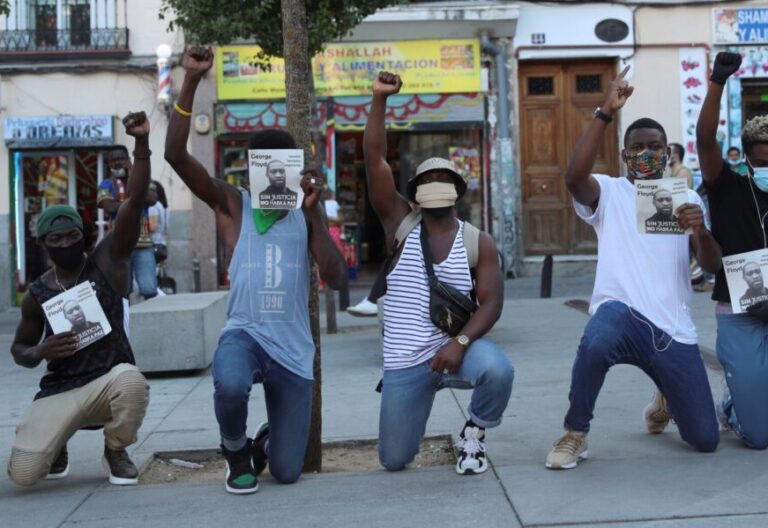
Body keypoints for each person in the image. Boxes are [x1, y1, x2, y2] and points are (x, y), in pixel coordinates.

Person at [164, 46, 347, 495]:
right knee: (229, 385)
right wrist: (191, 79)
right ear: (250, 172)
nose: (272, 177)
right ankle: (235, 449)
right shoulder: (232, 205)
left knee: (286, 471)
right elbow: (174, 155)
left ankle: (266, 440)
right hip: (244, 334)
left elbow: (338, 278)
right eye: (263, 168)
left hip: (292, 348)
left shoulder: (304, 215)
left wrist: (315, 214)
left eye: (282, 168)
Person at [545, 66, 722, 470]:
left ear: (668, 152)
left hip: (671, 328)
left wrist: (701, 232)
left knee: (705, 440)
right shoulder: (610, 191)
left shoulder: (686, 194)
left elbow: (711, 266)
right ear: (625, 155)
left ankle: (665, 397)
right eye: (638, 147)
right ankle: (575, 432)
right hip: (620, 312)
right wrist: (605, 112)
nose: (647, 153)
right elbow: (573, 177)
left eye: (656, 146)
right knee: (596, 340)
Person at [365, 71, 513, 476]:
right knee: (394, 460)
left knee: (498, 369)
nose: (435, 184)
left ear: (457, 190)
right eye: (427, 180)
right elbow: (375, 160)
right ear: (414, 194)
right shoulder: (400, 220)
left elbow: (493, 303)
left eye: (443, 179)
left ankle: (475, 433)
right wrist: (380, 99)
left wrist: (460, 343)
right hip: (404, 363)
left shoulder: (477, 241)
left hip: (456, 351)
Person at [7, 112, 152, 487]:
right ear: (43, 245)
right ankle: (57, 443)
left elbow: (134, 202)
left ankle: (116, 450)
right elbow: (19, 350)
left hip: (108, 382)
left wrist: (141, 144)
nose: (65, 243)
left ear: (84, 235)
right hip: (62, 388)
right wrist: (41, 351)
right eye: (55, 240)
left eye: (72, 235)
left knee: (133, 381)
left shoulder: (108, 261)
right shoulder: (37, 293)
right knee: (23, 476)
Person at [697, 51, 768, 448]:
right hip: (740, 314)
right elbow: (705, 140)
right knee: (759, 437)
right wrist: (717, 82)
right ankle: (732, 405)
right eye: (761, 162)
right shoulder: (729, 188)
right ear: (747, 161)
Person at [98, 147, 157, 300]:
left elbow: (151, 199)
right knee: (123, 291)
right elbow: (109, 207)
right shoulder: (105, 184)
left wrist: (133, 175)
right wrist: (137, 200)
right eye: (113, 160)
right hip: (119, 247)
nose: (118, 163)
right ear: (108, 163)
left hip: (143, 244)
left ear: (128, 160)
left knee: (149, 289)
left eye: (121, 159)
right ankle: (125, 323)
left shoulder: (143, 179)